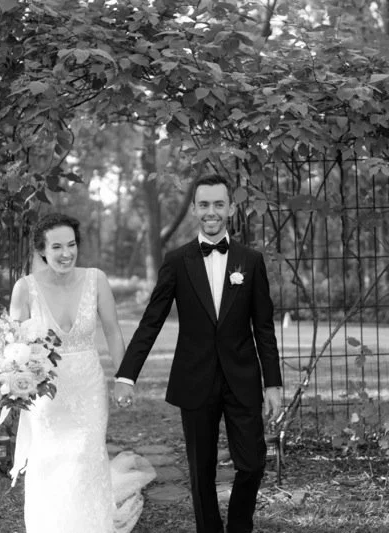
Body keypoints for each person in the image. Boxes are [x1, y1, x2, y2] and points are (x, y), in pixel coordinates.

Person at [114, 174, 283, 533]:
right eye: (204, 204)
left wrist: (273, 384)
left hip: (242, 378)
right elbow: (151, 321)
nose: (211, 212)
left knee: (252, 463)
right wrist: (127, 375)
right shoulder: (177, 260)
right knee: (200, 471)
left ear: (231, 209)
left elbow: (264, 327)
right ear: (193, 209)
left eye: (218, 204)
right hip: (195, 379)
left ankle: (239, 526)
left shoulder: (250, 261)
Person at [7, 213, 155, 533]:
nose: (65, 253)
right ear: (42, 251)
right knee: (49, 458)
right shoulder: (25, 289)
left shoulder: (96, 280)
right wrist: (14, 381)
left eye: (71, 245)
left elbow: (113, 332)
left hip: (88, 386)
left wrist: (124, 378)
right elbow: (11, 345)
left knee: (86, 456)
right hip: (47, 391)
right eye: (56, 246)